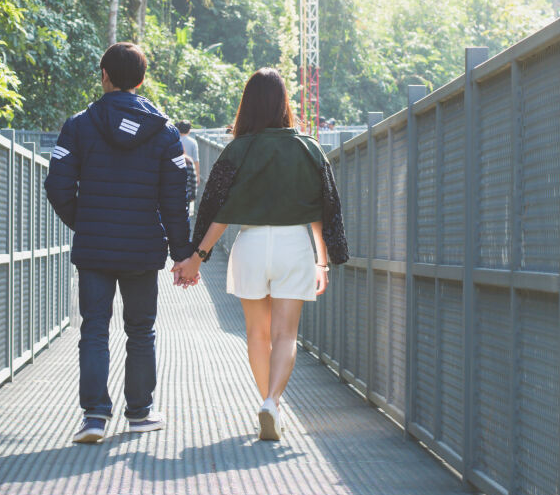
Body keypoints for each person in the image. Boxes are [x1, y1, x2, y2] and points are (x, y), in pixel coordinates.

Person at [183, 68, 348, 441]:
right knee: (286, 335)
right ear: (283, 103)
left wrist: (197, 256)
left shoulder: (238, 150)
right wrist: (323, 258)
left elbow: (218, 211)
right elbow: (324, 210)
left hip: (251, 245)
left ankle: (266, 402)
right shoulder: (308, 148)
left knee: (258, 334)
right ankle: (272, 403)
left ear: (248, 105)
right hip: (294, 246)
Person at [45, 42, 196, 444]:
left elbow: (57, 184)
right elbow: (175, 199)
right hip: (142, 248)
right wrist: (182, 254)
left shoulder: (78, 125)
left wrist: (87, 221)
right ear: (142, 80)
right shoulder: (164, 133)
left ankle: (94, 416)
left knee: (94, 328)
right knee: (140, 330)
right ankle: (140, 413)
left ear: (104, 76)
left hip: (94, 248)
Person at [175, 120, 200, 218]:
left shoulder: (175, 140)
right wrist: (197, 175)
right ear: (189, 130)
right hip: (189, 172)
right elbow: (196, 160)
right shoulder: (193, 142)